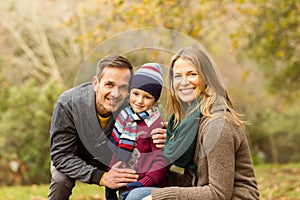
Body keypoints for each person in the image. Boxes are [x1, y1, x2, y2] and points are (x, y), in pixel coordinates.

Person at [129, 46, 260, 200]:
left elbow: (218, 194)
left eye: (192, 74)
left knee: (139, 198)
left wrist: (158, 196)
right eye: (178, 76)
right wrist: (142, 173)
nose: (184, 82)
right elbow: (193, 181)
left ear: (206, 78)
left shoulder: (218, 126)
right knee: (135, 193)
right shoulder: (190, 122)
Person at [48, 55, 164, 200]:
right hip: (73, 157)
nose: (115, 94)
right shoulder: (68, 104)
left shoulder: (133, 104)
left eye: (123, 87)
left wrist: (164, 132)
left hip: (113, 156)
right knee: (61, 181)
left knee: (140, 173)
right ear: (96, 83)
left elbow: (153, 115)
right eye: (109, 84)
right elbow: (61, 155)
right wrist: (102, 177)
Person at [106, 63, 170, 200]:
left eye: (147, 97)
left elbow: (162, 162)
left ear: (155, 100)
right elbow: (117, 153)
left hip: (147, 187)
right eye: (136, 94)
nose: (139, 101)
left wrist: (143, 183)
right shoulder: (124, 118)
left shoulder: (155, 125)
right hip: (125, 184)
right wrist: (110, 175)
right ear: (130, 92)